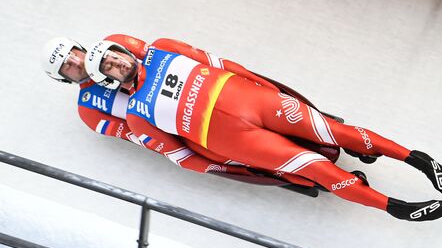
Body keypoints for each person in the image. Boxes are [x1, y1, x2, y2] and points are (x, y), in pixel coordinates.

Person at [85, 35, 442, 221]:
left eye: (114, 56)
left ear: (124, 50)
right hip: (240, 141)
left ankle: (418, 159)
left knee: (335, 132)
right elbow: (180, 156)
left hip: (254, 102)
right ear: (108, 81)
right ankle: (396, 208)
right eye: (109, 68)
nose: (116, 64)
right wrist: (222, 167)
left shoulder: (162, 48)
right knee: (318, 170)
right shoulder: (135, 114)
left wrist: (264, 86)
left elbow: (221, 62)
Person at [41, 37, 273, 180]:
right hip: (178, 126)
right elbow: (137, 135)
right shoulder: (88, 110)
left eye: (72, 54)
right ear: (63, 78)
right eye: (66, 65)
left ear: (79, 47)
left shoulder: (112, 45)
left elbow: (156, 56)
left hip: (195, 92)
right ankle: (251, 166)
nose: (74, 61)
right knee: (214, 151)